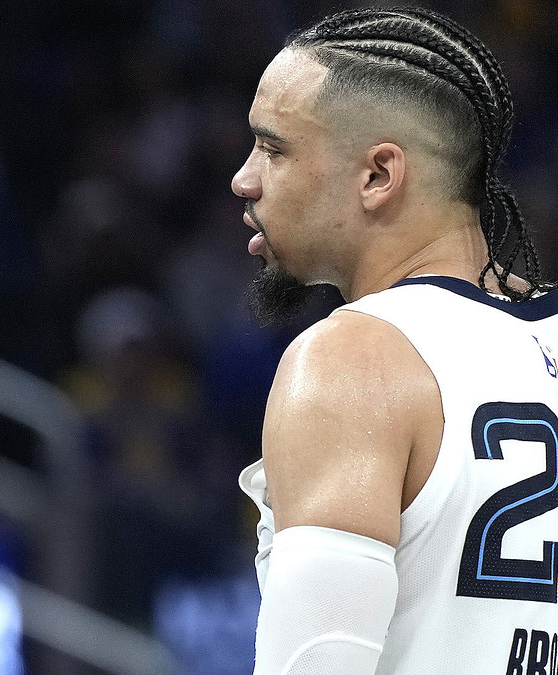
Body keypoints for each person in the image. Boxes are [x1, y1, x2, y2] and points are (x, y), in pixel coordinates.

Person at [233, 7, 557, 674]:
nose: (245, 178)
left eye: (273, 148)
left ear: (378, 175)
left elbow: (315, 662)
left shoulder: (353, 358)